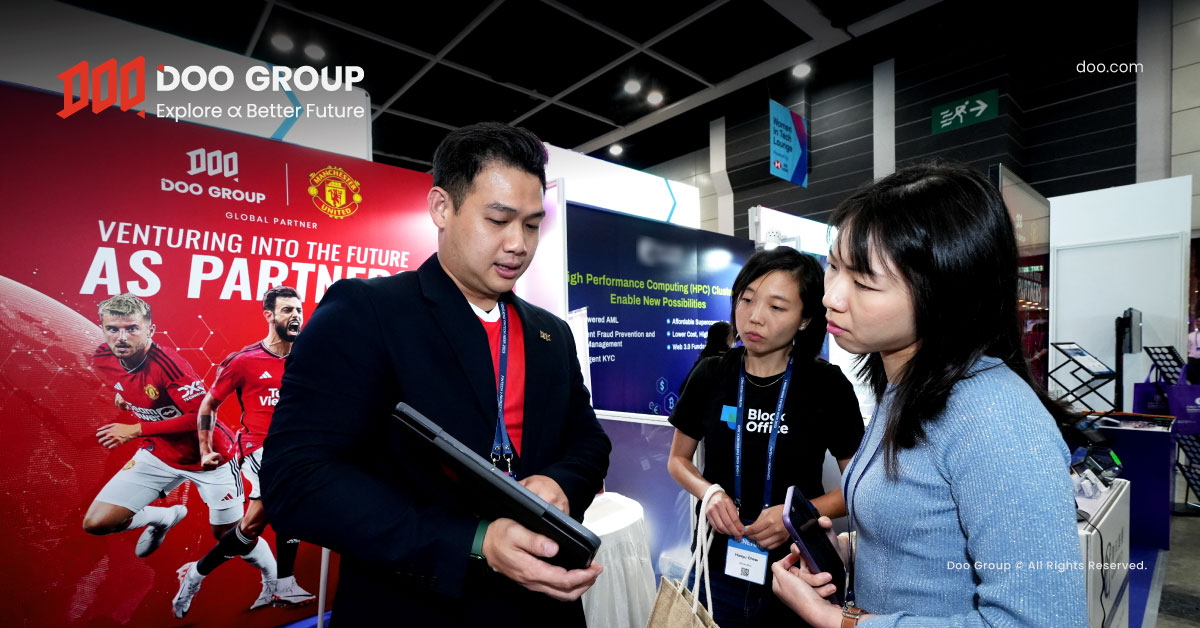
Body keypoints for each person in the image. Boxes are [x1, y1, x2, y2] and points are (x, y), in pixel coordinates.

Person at [260, 122, 611, 626]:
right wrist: (475, 540)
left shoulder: (549, 333)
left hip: (543, 606)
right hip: (414, 605)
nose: (518, 244)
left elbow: (589, 441)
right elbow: (297, 481)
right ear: (442, 208)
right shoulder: (367, 312)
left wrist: (560, 483)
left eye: (532, 225)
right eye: (498, 220)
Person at [770, 162, 1087, 627]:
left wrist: (844, 623)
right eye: (833, 266)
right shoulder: (906, 386)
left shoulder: (994, 418)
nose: (831, 297)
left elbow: (1040, 621)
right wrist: (849, 550)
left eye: (863, 282)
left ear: (943, 294)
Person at [667, 247, 864, 628]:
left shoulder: (826, 386)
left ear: (806, 319)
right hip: (716, 565)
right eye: (746, 299)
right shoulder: (710, 374)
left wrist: (795, 517)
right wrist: (710, 493)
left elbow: (858, 488)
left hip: (797, 570)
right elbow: (678, 460)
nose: (755, 317)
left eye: (776, 307)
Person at [170, 286, 314, 618]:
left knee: (250, 529)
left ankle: (195, 574)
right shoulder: (245, 361)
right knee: (289, 503)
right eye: (287, 310)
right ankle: (284, 584)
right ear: (269, 315)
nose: (295, 316)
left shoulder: (309, 358)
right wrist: (205, 450)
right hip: (259, 449)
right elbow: (208, 405)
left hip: (294, 450)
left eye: (298, 310)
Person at [83, 294, 242, 556]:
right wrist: (126, 396)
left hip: (210, 458)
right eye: (112, 329)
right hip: (160, 454)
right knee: (97, 523)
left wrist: (136, 429)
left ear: (150, 330)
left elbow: (201, 416)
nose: (121, 338)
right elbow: (133, 384)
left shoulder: (169, 365)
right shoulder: (103, 357)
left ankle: (275, 577)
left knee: (230, 539)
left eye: (131, 329)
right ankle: (164, 518)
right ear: (102, 328)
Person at [680, 320, 734, 393]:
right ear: (724, 338)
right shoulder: (724, 362)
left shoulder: (704, 359)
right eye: (731, 336)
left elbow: (683, 389)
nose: (734, 340)